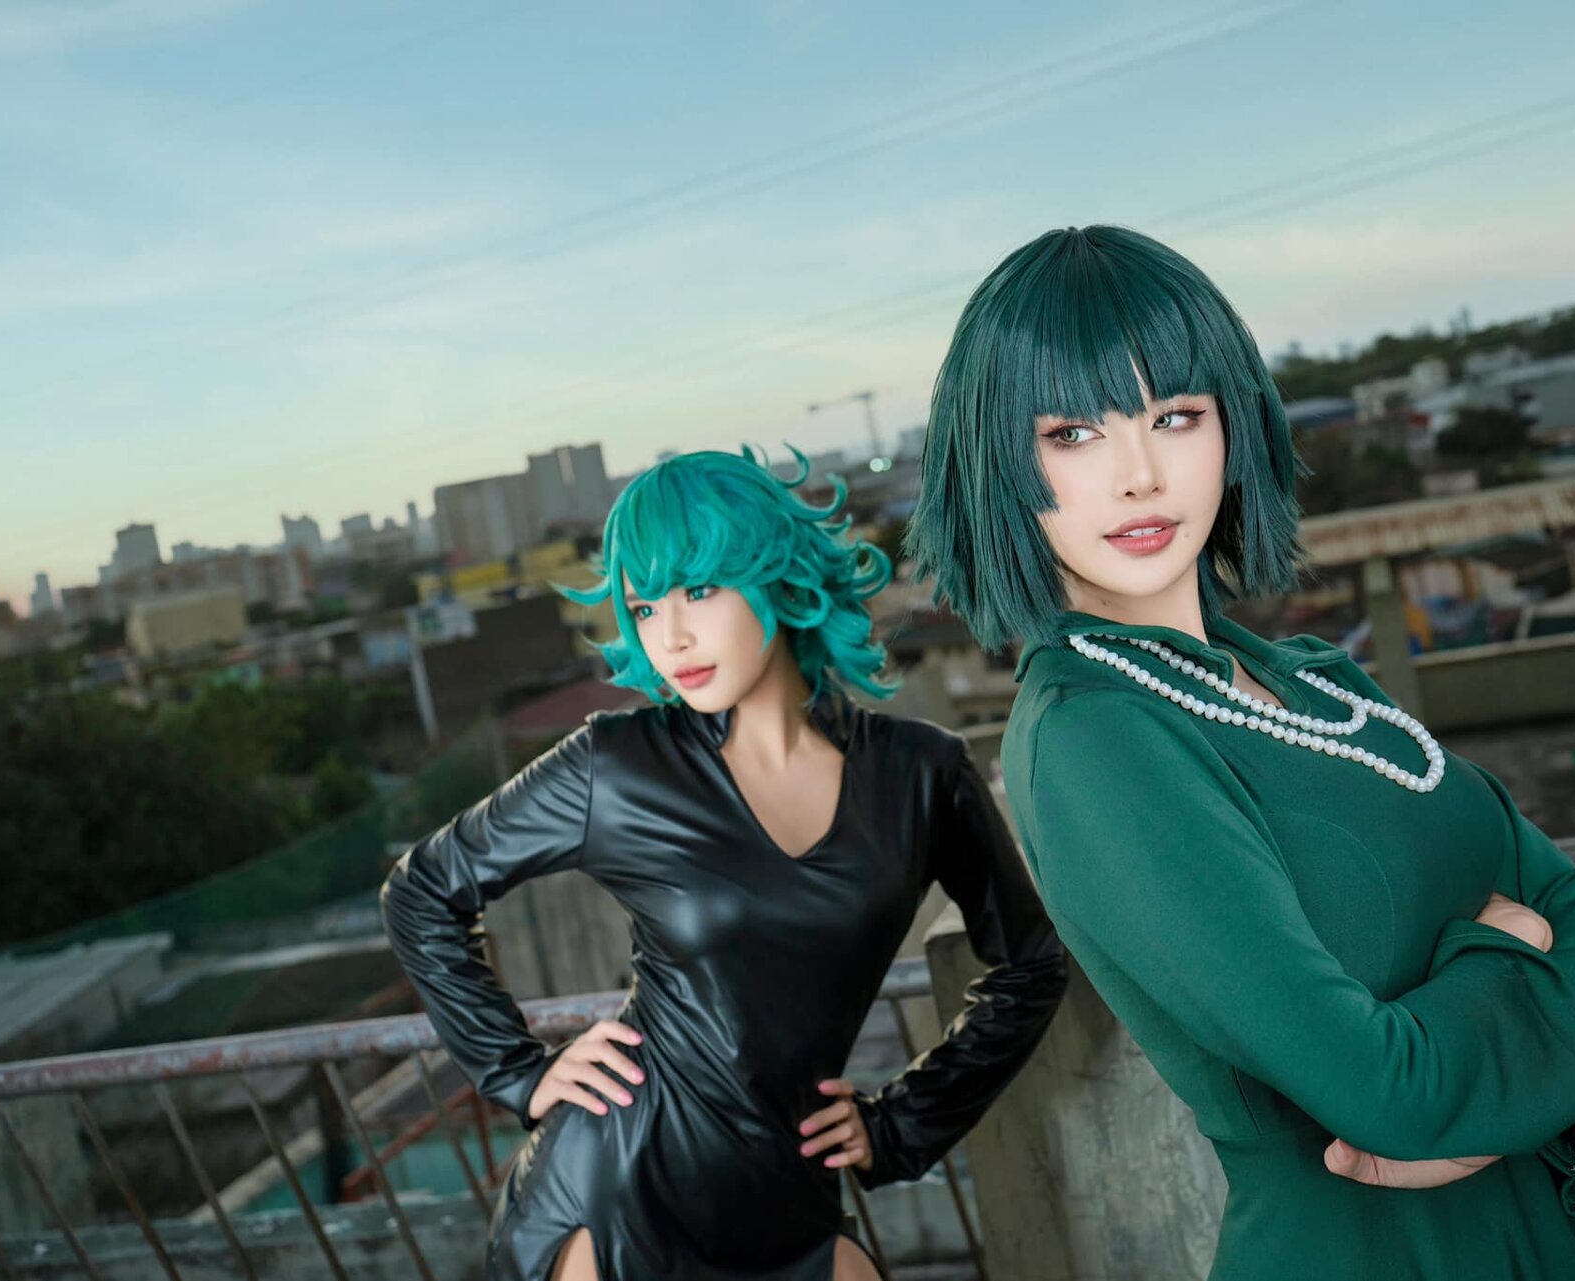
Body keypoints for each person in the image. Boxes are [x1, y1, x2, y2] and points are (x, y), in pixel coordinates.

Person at [904, 225, 1575, 1280]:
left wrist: (1474, 1096)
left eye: (1175, 416)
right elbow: (1385, 1094)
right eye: (1073, 433)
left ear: (1231, 425)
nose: (1140, 474)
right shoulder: (1095, 738)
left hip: (1536, 1240)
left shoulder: (1316, 678)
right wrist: (1510, 957)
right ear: (999, 463)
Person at [382, 445, 1068, 1281]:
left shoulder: (921, 774)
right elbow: (421, 891)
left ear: (778, 575)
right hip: (615, 1191)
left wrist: (900, 1122)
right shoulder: (619, 766)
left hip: (791, 1195)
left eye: (700, 590)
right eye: (645, 605)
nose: (670, 635)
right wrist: (519, 1071)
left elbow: (1031, 963)